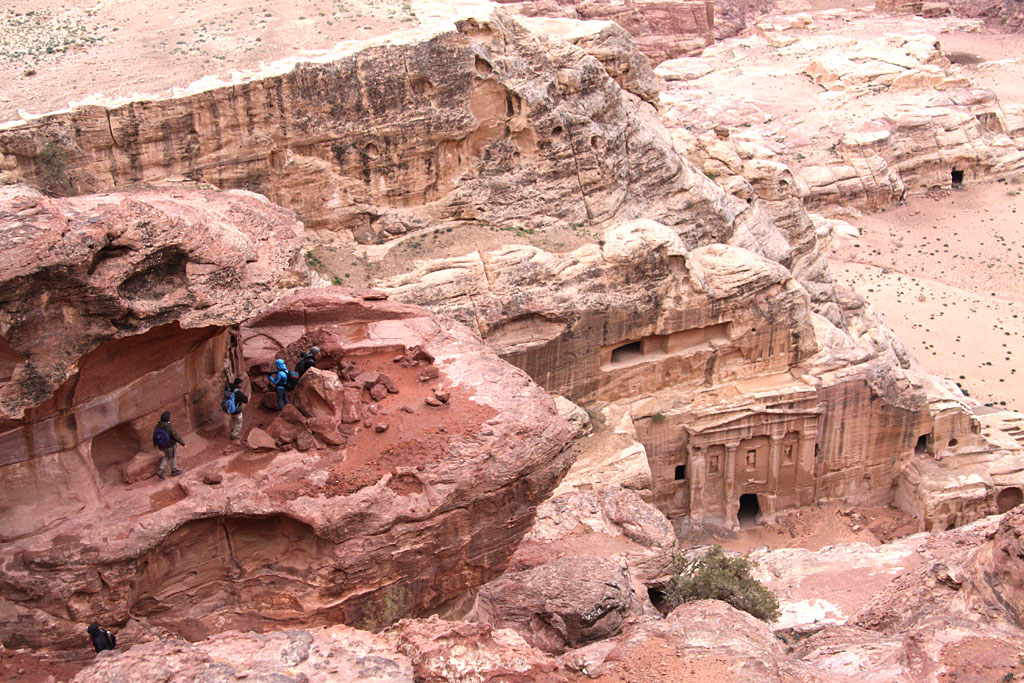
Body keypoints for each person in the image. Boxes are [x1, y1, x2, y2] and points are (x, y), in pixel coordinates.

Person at [153, 411, 186, 479]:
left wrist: (155, 444)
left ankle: (161, 469)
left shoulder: (157, 426)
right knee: (173, 457)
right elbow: (175, 435)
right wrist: (183, 443)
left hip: (162, 446)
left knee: (167, 456)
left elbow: (154, 436)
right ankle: (174, 470)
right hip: (170, 445)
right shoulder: (169, 426)